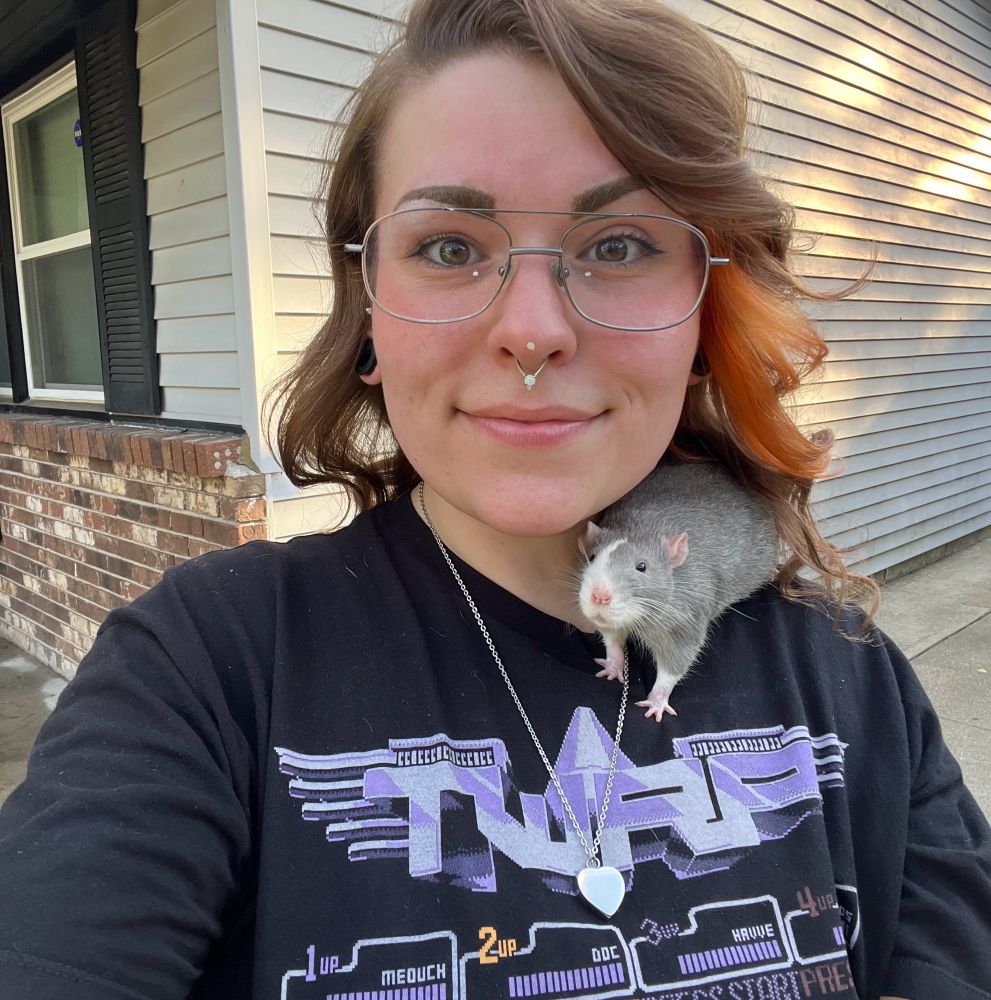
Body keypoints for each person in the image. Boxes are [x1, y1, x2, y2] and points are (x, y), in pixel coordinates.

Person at [1, 1, 989, 997]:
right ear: (368, 311)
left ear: (704, 308)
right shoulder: (207, 670)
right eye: (447, 247)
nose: (532, 329)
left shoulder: (849, 682)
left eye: (617, 244)